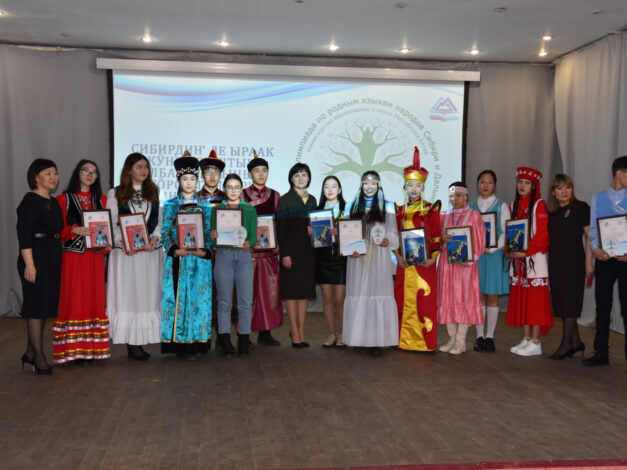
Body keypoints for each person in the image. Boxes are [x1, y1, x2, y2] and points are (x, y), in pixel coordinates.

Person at [106, 152, 164, 360]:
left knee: (145, 296)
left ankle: (139, 339)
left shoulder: (153, 191)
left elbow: (158, 221)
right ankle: (131, 343)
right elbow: (111, 223)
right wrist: (122, 242)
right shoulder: (116, 193)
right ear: (129, 170)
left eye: (146, 166)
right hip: (126, 255)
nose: (143, 170)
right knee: (129, 295)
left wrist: (155, 237)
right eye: (139, 166)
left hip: (148, 255)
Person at [52, 159, 110, 365]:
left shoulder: (103, 200)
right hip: (74, 259)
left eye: (94, 172)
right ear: (77, 173)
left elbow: (109, 229)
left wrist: (108, 242)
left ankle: (93, 349)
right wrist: (74, 229)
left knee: (94, 298)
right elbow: (57, 231)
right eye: (86, 170)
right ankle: (75, 350)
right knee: (75, 298)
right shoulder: (63, 199)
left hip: (94, 258)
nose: (90, 174)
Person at [161, 152, 213, 360]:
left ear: (197, 180)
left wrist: (205, 250)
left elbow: (209, 232)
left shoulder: (206, 205)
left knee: (200, 302)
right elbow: (165, 232)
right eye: (185, 179)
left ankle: (199, 343)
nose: (189, 183)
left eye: (192, 179)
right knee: (179, 301)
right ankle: (181, 346)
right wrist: (175, 249)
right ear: (179, 180)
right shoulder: (170, 204)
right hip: (179, 260)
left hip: (199, 261)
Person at [343, 171, 400, 357]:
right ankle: (358, 338)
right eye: (366, 183)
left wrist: (387, 240)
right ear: (361, 185)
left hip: (378, 257)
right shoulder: (351, 206)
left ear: (379, 185)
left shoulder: (388, 207)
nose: (369, 187)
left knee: (377, 293)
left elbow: (393, 233)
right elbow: (346, 232)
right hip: (357, 258)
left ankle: (377, 341)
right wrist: (349, 247)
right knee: (358, 294)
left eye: (373, 183)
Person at [17, 159, 64, 375]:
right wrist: (29, 264)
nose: (53, 177)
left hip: (51, 257)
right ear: (36, 177)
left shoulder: (52, 201)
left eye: (55, 173)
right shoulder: (30, 201)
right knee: (36, 307)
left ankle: (29, 353)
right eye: (48, 173)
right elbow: (24, 235)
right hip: (35, 258)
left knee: (44, 306)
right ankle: (38, 357)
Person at [393, 147, 442, 352]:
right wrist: (398, 256)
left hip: (424, 265)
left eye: (418, 185)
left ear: (423, 187)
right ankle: (402, 340)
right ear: (405, 186)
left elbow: (436, 237)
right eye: (410, 185)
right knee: (402, 301)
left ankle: (425, 343)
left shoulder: (430, 209)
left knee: (424, 303)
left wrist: (433, 258)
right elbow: (394, 238)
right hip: (405, 265)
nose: (414, 188)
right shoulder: (399, 211)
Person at [583, 156, 627, 366]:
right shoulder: (598, 198)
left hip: (626, 260)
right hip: (605, 259)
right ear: (620, 173)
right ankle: (601, 352)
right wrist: (596, 250)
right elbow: (593, 230)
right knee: (602, 306)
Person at [506, 167, 553, 356]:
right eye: (520, 182)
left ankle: (535, 341)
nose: (522, 186)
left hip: (534, 260)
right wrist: (509, 248)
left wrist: (525, 252)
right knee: (522, 300)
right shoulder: (513, 205)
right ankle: (526, 339)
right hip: (518, 263)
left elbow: (542, 235)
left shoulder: (539, 205)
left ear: (534, 186)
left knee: (534, 302)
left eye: (527, 183)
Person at [211, 174, 258, 357]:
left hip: (244, 257)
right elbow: (212, 237)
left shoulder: (249, 210)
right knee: (224, 301)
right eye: (229, 187)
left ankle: (244, 340)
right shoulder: (217, 210)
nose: (233, 190)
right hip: (223, 256)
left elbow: (253, 236)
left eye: (236, 187)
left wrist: (249, 243)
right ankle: (225, 342)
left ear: (241, 189)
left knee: (245, 301)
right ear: (224, 189)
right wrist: (213, 236)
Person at [437, 182, 486, 355]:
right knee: (447, 299)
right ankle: (452, 339)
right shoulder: (444, 216)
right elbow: (436, 239)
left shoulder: (474, 216)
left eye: (458, 195)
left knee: (464, 300)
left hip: (465, 267)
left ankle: (460, 340)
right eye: (451, 196)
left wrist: (470, 260)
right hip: (447, 265)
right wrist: (441, 239)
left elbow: (480, 241)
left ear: (465, 197)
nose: (454, 199)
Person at [547, 173, 592, 360]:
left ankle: (565, 345)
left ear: (572, 189)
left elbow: (590, 237)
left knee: (571, 302)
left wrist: (589, 262)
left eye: (567, 187)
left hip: (574, 262)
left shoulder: (582, 208)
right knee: (561, 302)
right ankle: (576, 342)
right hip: (555, 262)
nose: (564, 191)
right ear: (553, 192)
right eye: (559, 188)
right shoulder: (551, 212)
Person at [242, 152, 283, 346]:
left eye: (264, 170)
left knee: (268, 295)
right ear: (250, 173)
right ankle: (244, 334)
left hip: (268, 254)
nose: (260, 174)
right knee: (247, 294)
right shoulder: (241, 195)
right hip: (248, 254)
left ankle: (265, 333)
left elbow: (279, 223)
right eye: (256, 170)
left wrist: (278, 243)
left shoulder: (275, 196)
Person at [276, 163, 317, 348]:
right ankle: (294, 333)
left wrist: (314, 231)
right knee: (292, 295)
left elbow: (318, 226)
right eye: (297, 175)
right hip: (291, 253)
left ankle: (301, 332)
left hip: (309, 253)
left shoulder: (313, 200)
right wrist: (285, 254)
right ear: (291, 178)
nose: (301, 178)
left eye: (304, 175)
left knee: (304, 294)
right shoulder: (285, 200)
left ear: (309, 178)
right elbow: (281, 231)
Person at [469, 170, 511, 352]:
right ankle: (479, 336)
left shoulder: (502, 206)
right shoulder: (471, 206)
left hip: (494, 256)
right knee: (478, 296)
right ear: (477, 184)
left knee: (492, 296)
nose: (486, 185)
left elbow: (505, 231)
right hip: (477, 257)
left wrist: (492, 248)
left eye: (490, 182)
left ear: (495, 185)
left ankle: (490, 336)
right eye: (482, 181)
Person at [315, 175, 348, 349]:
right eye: (326, 186)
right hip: (323, 258)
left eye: (334, 186)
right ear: (323, 190)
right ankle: (332, 334)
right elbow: (315, 238)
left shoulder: (346, 209)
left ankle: (342, 334)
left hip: (341, 259)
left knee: (340, 300)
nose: (330, 189)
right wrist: (311, 231)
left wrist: (340, 233)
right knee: (327, 299)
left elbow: (353, 234)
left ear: (339, 189)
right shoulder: (317, 211)